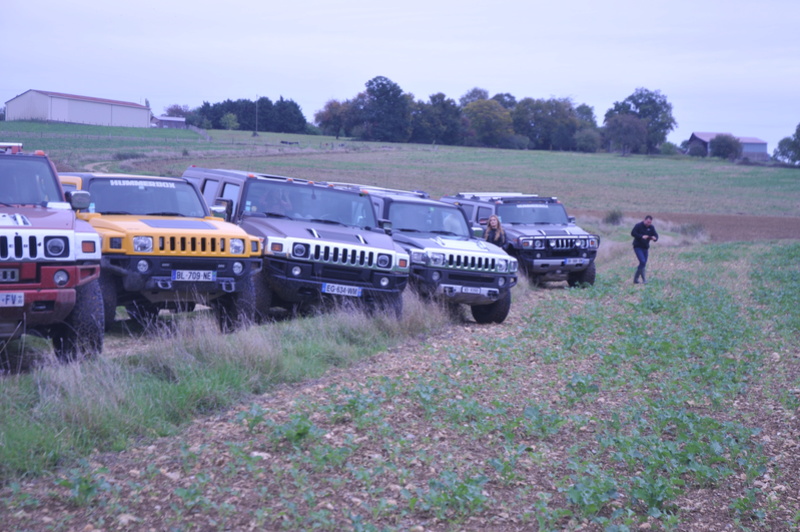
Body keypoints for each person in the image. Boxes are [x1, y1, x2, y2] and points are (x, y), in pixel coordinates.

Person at [631, 215, 659, 284]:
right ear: (645, 220)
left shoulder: (651, 227)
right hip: (637, 246)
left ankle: (636, 280)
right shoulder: (638, 225)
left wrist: (654, 238)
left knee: (643, 263)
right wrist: (641, 236)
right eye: (648, 222)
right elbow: (633, 233)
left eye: (650, 222)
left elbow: (656, 235)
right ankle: (643, 280)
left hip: (645, 247)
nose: (648, 224)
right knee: (642, 261)